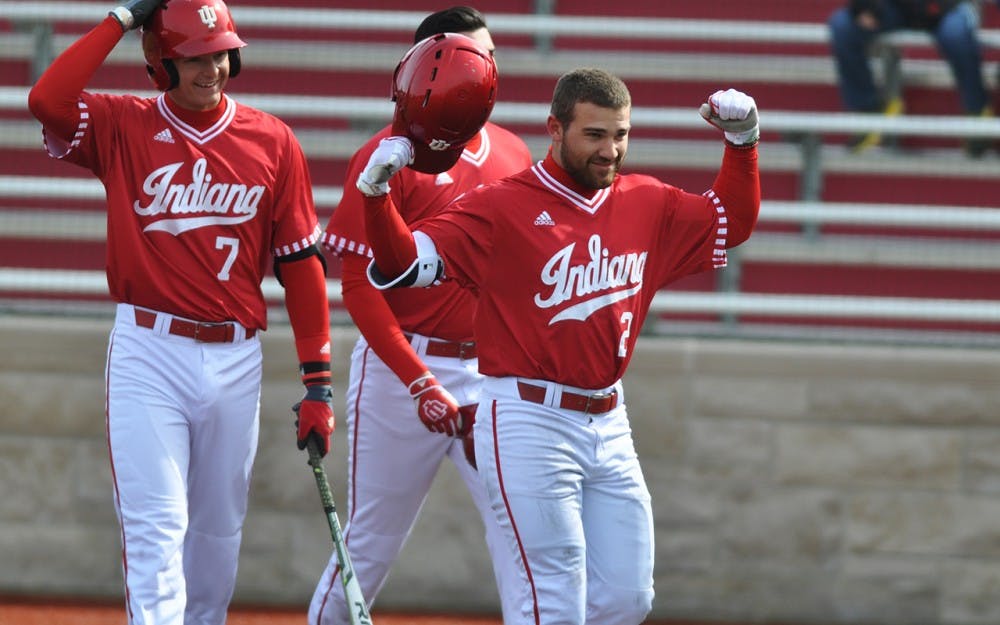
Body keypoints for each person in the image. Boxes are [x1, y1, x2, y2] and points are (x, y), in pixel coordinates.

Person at [356, 69, 760, 624]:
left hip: (610, 420)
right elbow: (404, 267)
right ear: (555, 128)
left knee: (627, 597)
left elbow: (730, 222)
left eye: (620, 134)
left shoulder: (648, 201)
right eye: (594, 134)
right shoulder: (501, 206)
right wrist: (376, 199)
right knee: (553, 594)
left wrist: (742, 146)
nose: (610, 149)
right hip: (526, 416)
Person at [26, 1, 335, 623]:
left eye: (220, 52)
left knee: (218, 535)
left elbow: (301, 266)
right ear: (159, 60)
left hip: (237, 356)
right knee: (156, 529)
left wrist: (317, 382)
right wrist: (121, 17)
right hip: (149, 351)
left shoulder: (273, 139)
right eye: (193, 56)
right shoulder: (122, 123)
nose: (211, 67)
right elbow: (47, 99)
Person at [308, 7, 533, 625]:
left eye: (487, 58)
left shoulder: (514, 150)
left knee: (524, 535)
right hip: (400, 369)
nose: (480, 71)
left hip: (492, 375)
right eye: (464, 58)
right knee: (372, 541)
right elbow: (359, 286)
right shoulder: (385, 155)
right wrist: (418, 380)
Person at [828, 0, 993, 155]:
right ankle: (868, 108)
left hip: (949, 7)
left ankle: (977, 111)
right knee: (843, 26)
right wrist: (865, 6)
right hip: (896, 8)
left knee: (956, 34)